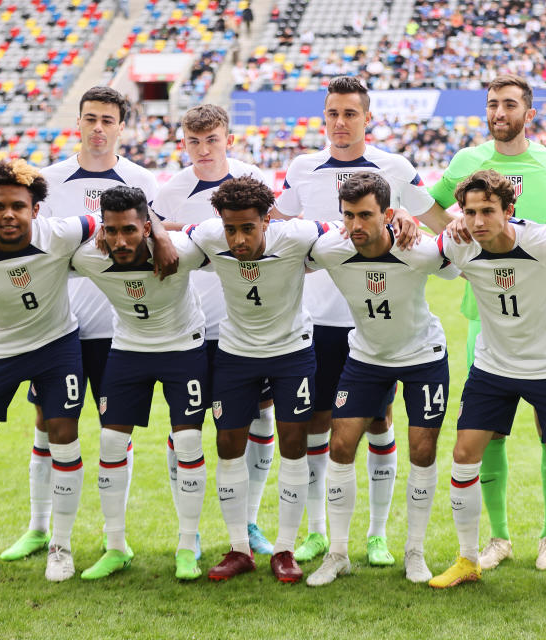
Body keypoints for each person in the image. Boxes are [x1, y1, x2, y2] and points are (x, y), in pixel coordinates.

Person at [271, 76, 440, 566]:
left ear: (368, 118)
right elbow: (277, 228)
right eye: (332, 114)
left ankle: (378, 534)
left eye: (350, 114)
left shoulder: (396, 167)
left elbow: (439, 224)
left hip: (377, 323)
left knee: (379, 422)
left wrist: (405, 217)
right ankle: (320, 532)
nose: (340, 123)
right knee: (319, 423)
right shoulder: (303, 168)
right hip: (319, 318)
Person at [0, 86, 167, 564]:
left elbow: (154, 244)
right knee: (49, 426)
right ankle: (37, 527)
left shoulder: (142, 180)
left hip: (120, 331)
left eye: (108, 120)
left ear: (121, 126)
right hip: (61, 328)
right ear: (78, 121)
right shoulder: (48, 180)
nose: (98, 127)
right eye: (90, 118)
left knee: (117, 433)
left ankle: (116, 540)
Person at [428, 74, 546, 572]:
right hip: (482, 317)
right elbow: (428, 202)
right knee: (488, 432)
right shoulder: (468, 161)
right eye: (492, 104)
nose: (499, 112)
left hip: (544, 319)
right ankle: (500, 537)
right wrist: (454, 230)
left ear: (528, 112)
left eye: (509, 104)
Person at [430, 170, 546, 596]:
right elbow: (416, 255)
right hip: (493, 367)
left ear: (509, 211)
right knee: (464, 454)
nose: (477, 221)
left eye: (487, 211)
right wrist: (404, 220)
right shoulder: (458, 246)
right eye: (469, 211)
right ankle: (466, 558)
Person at [0, 159, 96, 582]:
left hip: (56, 346)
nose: (8, 214)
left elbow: (108, 219)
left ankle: (60, 547)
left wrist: (157, 231)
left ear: (35, 210)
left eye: (18, 206)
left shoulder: (62, 232)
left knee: (63, 435)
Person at [304, 173, 457, 586]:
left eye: (366, 215)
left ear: (387, 215)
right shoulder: (331, 250)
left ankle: (415, 551)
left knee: (422, 450)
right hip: (367, 358)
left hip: (423, 357)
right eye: (348, 215)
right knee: (340, 444)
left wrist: (424, 223)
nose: (356, 225)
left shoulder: (419, 252)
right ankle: (337, 553)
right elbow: (287, 244)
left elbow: (458, 260)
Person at [152, 104, 277, 556]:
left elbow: (277, 232)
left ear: (228, 137)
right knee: (185, 426)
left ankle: (249, 520)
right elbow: (153, 240)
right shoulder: (170, 191)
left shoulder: (251, 178)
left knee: (258, 420)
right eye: (193, 141)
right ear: (182, 141)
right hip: (190, 327)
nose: (203, 150)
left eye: (212, 140)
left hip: (246, 325)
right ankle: (191, 529)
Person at [189, 176, 327, 583]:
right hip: (235, 354)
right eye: (230, 228)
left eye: (248, 228)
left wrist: (404, 217)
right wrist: (159, 232)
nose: (237, 239)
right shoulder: (210, 234)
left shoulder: (297, 234)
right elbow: (182, 230)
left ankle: (284, 549)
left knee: (294, 444)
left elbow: (335, 228)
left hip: (292, 352)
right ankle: (238, 549)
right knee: (228, 445)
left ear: (267, 221)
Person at [71, 186, 211, 581]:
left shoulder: (183, 249)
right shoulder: (88, 257)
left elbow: (220, 233)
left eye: (130, 230)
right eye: (112, 230)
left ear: (147, 227)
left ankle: (187, 546)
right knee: (111, 442)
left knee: (188, 443)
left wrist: (165, 236)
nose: (120, 240)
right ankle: (115, 546)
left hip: (183, 348)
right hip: (128, 349)